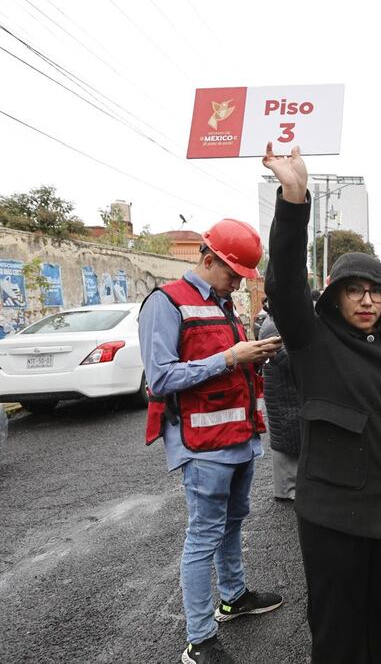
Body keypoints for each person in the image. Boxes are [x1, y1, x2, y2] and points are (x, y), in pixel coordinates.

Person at [262, 144, 381, 664]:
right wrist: (294, 199)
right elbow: (284, 285)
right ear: (336, 296)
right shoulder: (313, 339)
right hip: (334, 518)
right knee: (338, 632)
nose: (367, 300)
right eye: (355, 291)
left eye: (376, 291)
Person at [139, 220, 284, 664]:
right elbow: (160, 378)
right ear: (207, 260)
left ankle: (233, 596)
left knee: (233, 521)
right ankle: (199, 639)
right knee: (203, 536)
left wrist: (253, 358)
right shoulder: (165, 303)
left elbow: (230, 369)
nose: (239, 283)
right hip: (202, 446)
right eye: (233, 273)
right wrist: (229, 357)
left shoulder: (225, 305)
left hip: (237, 438)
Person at [259, 311, 301, 501]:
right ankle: (286, 490)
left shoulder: (274, 322)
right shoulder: (272, 327)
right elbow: (287, 360)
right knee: (286, 441)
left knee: (289, 439)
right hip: (282, 395)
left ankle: (288, 488)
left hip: (284, 393)